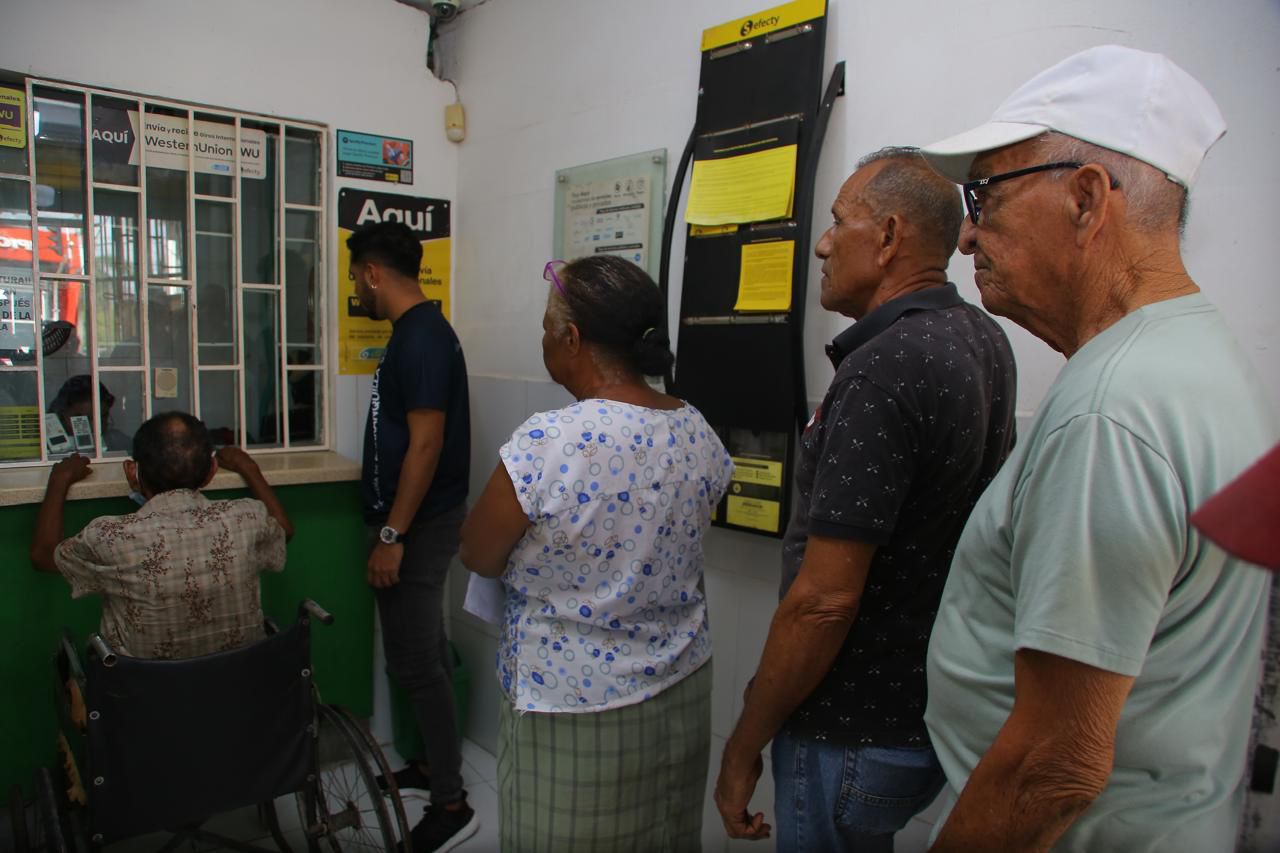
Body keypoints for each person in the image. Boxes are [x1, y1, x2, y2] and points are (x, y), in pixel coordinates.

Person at [917, 45, 1278, 851]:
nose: (968, 235)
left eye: (985, 195)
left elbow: (1055, 765)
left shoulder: (1114, 410)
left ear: (1086, 199)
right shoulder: (1207, 360)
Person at [713, 148, 1017, 851]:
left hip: (848, 728)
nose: (820, 243)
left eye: (837, 223)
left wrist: (742, 744)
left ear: (885, 237)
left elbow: (824, 600)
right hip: (926, 712)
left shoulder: (883, 369)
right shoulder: (981, 339)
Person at [459, 254, 732, 853]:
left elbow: (478, 553)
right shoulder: (697, 429)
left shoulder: (549, 442)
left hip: (572, 702)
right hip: (680, 687)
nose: (542, 339)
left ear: (572, 339)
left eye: (546, 328)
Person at [348, 221, 476, 851]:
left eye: (355, 276)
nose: (355, 288)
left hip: (418, 526)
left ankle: (451, 801)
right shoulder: (416, 333)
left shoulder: (422, 336)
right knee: (411, 658)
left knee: (421, 664)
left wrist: (393, 533)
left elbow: (426, 444)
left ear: (373, 273)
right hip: (410, 522)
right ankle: (429, 766)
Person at [29, 411, 293, 659]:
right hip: (240, 692)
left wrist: (59, 480)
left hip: (142, 699)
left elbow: (43, 556)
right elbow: (284, 530)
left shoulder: (108, 537)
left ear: (133, 473)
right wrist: (250, 469)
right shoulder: (248, 517)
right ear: (212, 471)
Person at [48, 374, 131, 453]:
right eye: (79, 420)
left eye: (100, 418)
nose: (91, 426)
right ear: (62, 413)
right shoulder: (45, 446)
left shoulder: (117, 442)